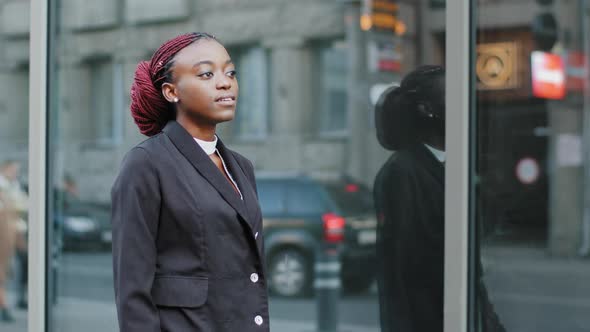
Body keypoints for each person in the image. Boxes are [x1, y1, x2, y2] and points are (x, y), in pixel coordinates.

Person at [111, 32, 269, 332]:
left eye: (230, 72)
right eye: (207, 74)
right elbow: (132, 290)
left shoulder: (241, 167)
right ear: (172, 92)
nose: (225, 82)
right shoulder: (146, 164)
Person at [373, 65, 505, 332]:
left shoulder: (453, 165)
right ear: (428, 109)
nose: (467, 105)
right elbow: (403, 275)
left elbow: (470, 271)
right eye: (455, 97)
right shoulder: (403, 173)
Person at [0, 160, 28, 322]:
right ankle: (3, 307)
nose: (15, 172)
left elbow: (24, 203)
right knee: (2, 271)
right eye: (13, 169)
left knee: (19, 265)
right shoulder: (2, 187)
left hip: (15, 232)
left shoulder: (14, 185)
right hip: (5, 232)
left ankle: (20, 298)